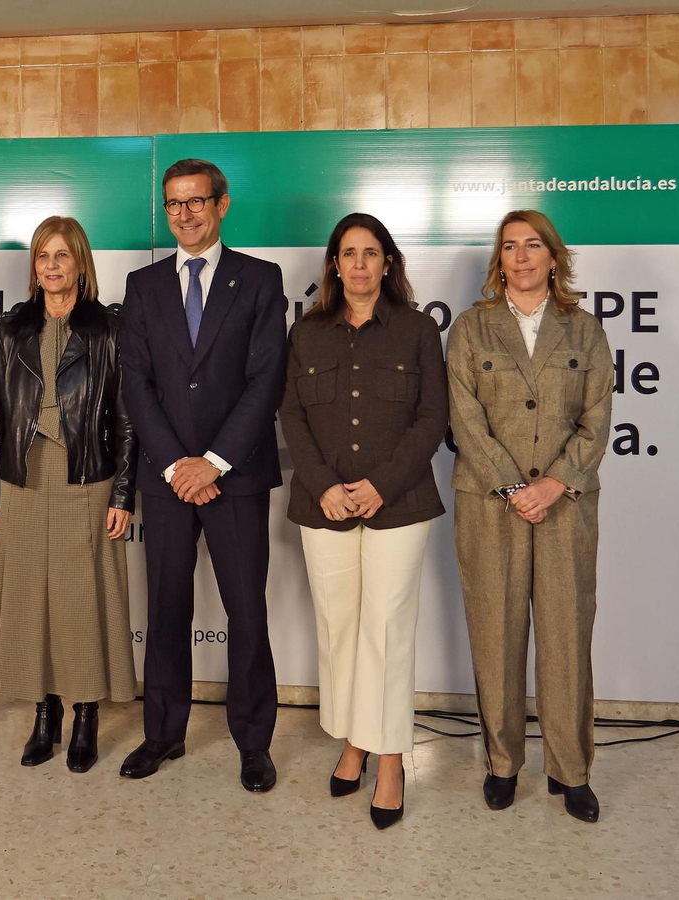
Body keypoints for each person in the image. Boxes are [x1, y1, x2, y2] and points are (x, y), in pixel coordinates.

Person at [118, 158, 287, 792]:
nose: (184, 214)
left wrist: (212, 462)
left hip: (234, 475)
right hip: (166, 481)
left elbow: (266, 379)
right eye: (173, 204)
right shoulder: (143, 285)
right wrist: (175, 464)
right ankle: (162, 733)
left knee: (247, 611)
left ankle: (253, 742)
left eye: (196, 202)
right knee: (165, 608)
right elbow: (137, 383)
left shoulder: (261, 279)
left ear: (221, 205)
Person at [278, 213, 447, 828]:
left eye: (370, 253)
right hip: (323, 507)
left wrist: (381, 485)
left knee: (387, 631)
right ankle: (353, 741)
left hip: (398, 505)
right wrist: (325, 486)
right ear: (333, 265)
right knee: (340, 628)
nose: (358, 264)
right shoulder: (309, 332)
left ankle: (391, 761)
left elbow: (433, 419)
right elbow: (291, 415)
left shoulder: (418, 330)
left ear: (388, 263)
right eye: (347, 253)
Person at [448, 209, 615, 823]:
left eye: (533, 246)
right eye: (510, 247)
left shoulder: (584, 329)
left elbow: (597, 420)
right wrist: (516, 486)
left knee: (568, 637)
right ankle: (502, 763)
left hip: (566, 506)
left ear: (553, 256)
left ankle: (571, 771)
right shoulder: (471, 328)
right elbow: (464, 418)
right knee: (497, 635)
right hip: (491, 504)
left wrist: (552, 485)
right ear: (500, 260)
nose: (521, 256)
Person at [0, 216, 138, 774]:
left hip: (87, 476)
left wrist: (122, 492)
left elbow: (126, 417)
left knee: (82, 597)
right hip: (25, 477)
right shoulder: (11, 329)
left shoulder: (109, 329)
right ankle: (44, 715)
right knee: (30, 598)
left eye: (61, 256)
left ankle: (86, 714)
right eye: (42, 256)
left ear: (80, 263)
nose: (51, 266)